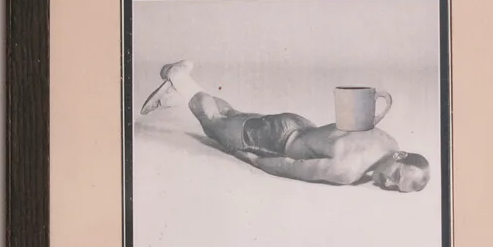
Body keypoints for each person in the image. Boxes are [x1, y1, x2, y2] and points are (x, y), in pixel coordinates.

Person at [139, 60, 429, 193]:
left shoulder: (390, 143)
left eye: (395, 186)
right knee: (214, 127)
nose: (388, 182)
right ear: (400, 157)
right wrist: (249, 158)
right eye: (396, 175)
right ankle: (179, 79)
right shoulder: (349, 172)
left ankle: (173, 94)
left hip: (298, 124)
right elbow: (291, 167)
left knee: (233, 116)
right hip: (276, 141)